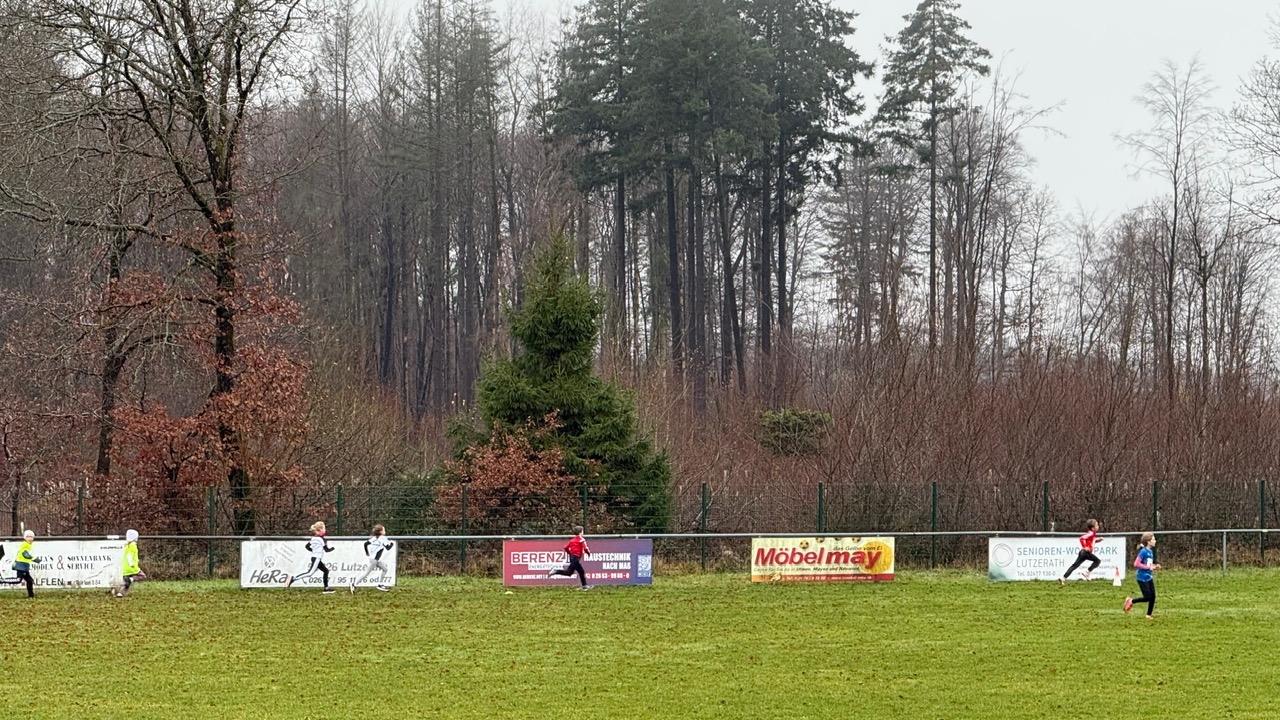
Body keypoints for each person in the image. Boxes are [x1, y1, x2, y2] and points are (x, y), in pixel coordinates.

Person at [285, 521, 336, 593]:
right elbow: (326, 550)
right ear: (320, 530)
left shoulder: (313, 538)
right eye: (324, 529)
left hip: (314, 557)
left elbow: (307, 546)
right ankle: (293, 579)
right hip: (317, 558)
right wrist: (333, 548)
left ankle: (326, 587)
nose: (325, 530)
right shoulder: (322, 539)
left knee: (326, 571)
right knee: (310, 573)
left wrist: (314, 550)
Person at [1124, 532, 1160, 619]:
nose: (1155, 541)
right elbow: (1136, 564)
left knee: (1153, 596)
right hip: (1142, 578)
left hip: (1148, 577)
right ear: (1148, 541)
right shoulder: (1143, 552)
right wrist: (1149, 567)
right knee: (1147, 597)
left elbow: (1147, 564)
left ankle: (1148, 615)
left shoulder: (1150, 552)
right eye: (1153, 539)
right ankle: (1131, 601)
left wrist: (1154, 566)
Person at [352, 524, 393, 594]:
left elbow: (366, 544)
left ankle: (380, 584)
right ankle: (354, 584)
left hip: (375, 559)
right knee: (366, 572)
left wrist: (367, 552)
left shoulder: (374, 538)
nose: (385, 531)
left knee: (385, 569)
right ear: (380, 531)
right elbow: (388, 548)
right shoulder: (383, 538)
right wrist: (391, 544)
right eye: (384, 530)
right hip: (374, 560)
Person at [547, 525, 591, 590]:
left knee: (569, 573)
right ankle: (584, 586)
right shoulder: (581, 540)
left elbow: (566, 547)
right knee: (581, 571)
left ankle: (556, 571)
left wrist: (569, 553)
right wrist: (588, 553)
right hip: (576, 558)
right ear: (581, 532)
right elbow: (585, 548)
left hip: (572, 557)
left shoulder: (572, 540)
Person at [1060, 519, 1103, 585]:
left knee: (1075, 565)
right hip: (1086, 553)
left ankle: (1063, 578)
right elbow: (1082, 538)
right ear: (1093, 528)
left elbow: (1092, 541)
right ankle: (1087, 572)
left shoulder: (1092, 534)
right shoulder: (1091, 533)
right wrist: (1085, 546)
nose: (1098, 526)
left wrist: (1098, 540)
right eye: (1097, 525)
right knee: (1097, 561)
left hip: (1082, 553)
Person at [1, 530, 41, 598]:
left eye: (31, 537)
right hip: (21, 566)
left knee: (29, 581)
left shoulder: (28, 545)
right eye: (28, 537)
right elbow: (25, 554)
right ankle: (1, 580)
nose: (30, 538)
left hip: (25, 566)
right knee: (19, 580)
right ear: (25, 538)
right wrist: (35, 559)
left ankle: (31, 596)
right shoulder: (25, 545)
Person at [115, 529, 146, 597]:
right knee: (142, 576)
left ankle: (120, 593)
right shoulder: (133, 545)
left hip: (125, 568)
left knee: (127, 583)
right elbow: (129, 556)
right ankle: (131, 579)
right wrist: (132, 564)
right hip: (132, 567)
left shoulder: (127, 546)